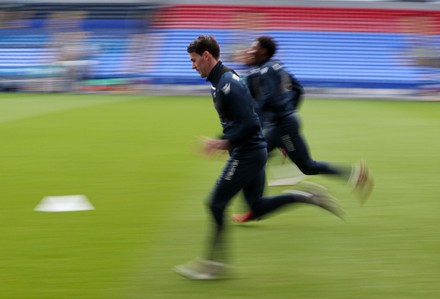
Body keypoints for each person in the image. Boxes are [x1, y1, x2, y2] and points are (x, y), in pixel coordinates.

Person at [174, 35, 343, 280]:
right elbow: (238, 121)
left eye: (194, 60)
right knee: (256, 207)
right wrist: (221, 139)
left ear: (206, 56)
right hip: (251, 150)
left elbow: (252, 123)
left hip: (248, 153)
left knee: (215, 204)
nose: (192, 66)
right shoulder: (221, 81)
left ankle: (213, 265)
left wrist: (224, 142)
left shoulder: (227, 84)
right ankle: (305, 196)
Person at [232, 36, 373, 223]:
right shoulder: (274, 66)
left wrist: (263, 119)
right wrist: (288, 112)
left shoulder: (265, 70)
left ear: (263, 51)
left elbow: (267, 98)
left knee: (251, 158)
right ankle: (353, 174)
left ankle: (256, 207)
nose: (249, 50)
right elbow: (298, 89)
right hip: (284, 125)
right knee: (306, 166)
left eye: (253, 47)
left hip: (281, 126)